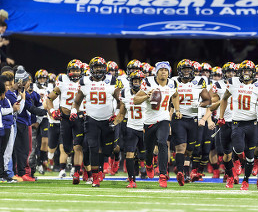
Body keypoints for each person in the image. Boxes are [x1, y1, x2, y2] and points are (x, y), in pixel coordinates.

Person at [219, 60, 258, 190]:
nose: (246, 73)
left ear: (253, 72)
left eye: (249, 71)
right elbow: (224, 98)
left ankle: (246, 181)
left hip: (252, 124)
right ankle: (236, 162)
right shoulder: (233, 82)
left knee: (250, 157)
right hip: (237, 123)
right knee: (238, 148)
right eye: (244, 71)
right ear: (240, 72)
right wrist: (221, 117)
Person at [71, 57, 120, 187]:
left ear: (105, 69)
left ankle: (108, 163)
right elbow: (76, 102)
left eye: (100, 67)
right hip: (91, 119)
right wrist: (73, 111)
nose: (98, 70)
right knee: (93, 147)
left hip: (108, 120)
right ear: (91, 69)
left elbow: (120, 101)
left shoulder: (112, 81)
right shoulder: (84, 81)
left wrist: (116, 114)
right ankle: (95, 177)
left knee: (107, 150)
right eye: (96, 68)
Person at [132, 61, 180, 188]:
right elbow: (135, 100)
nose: (163, 71)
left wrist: (177, 110)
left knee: (163, 143)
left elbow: (175, 95)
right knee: (148, 150)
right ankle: (149, 164)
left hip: (164, 119)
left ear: (169, 72)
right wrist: (146, 96)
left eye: (166, 70)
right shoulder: (148, 82)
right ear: (157, 72)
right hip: (149, 121)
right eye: (161, 70)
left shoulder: (172, 83)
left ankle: (163, 175)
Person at [170, 59, 211, 185]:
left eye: (189, 69)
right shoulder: (174, 81)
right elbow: (168, 101)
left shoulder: (199, 81)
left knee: (190, 149)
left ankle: (186, 171)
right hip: (179, 118)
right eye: (184, 70)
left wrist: (198, 105)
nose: (187, 72)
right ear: (180, 71)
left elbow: (208, 101)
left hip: (193, 118)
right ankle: (180, 173)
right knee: (181, 147)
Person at [46, 59, 85, 184]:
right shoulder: (62, 81)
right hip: (65, 118)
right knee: (67, 149)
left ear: (81, 71)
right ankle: (69, 163)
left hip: (79, 117)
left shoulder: (85, 82)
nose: (74, 73)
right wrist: (52, 111)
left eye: (76, 70)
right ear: (68, 71)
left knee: (78, 146)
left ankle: (77, 173)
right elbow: (49, 99)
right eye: (72, 70)